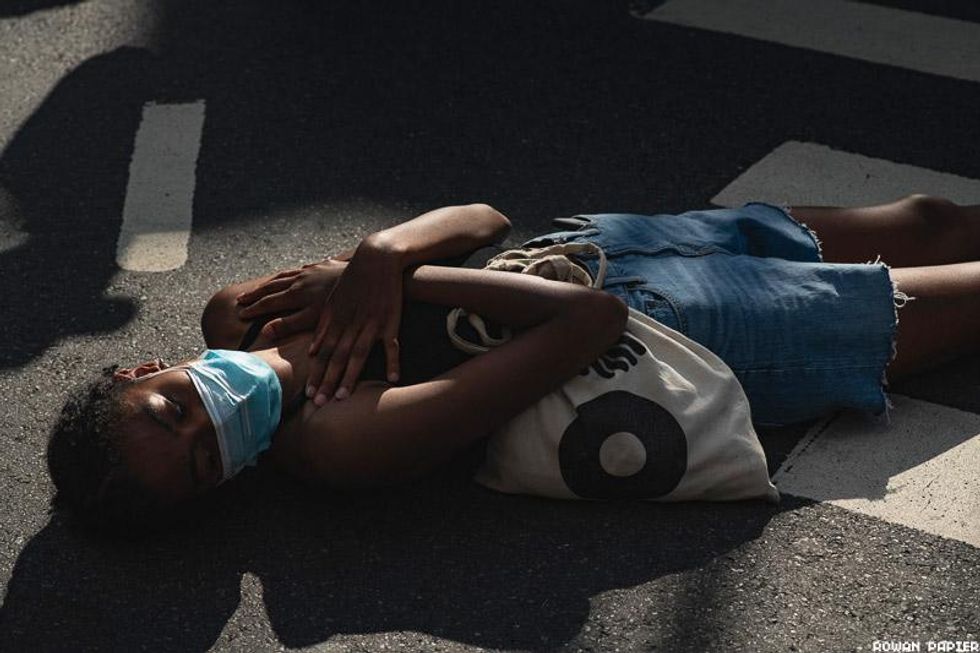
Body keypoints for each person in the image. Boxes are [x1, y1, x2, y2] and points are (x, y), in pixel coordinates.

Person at [46, 197, 980, 535]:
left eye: (175, 410)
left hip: (603, 238)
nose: (216, 419)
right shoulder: (334, 438)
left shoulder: (236, 315)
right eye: (209, 457)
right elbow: (586, 322)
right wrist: (388, 274)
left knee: (934, 221)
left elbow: (488, 219)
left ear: (144, 367)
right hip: (679, 331)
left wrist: (381, 251)